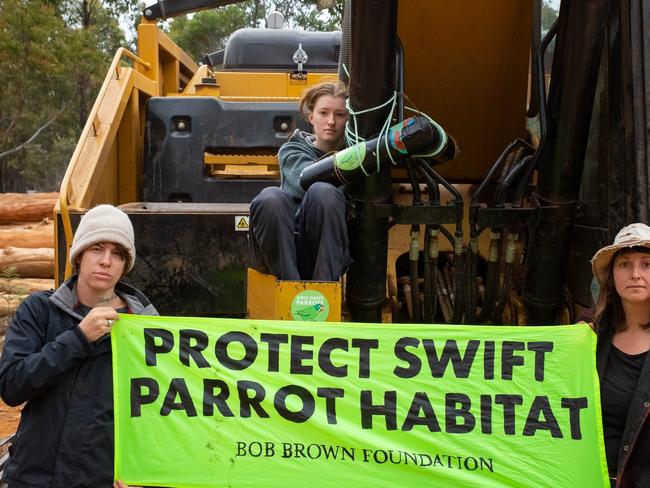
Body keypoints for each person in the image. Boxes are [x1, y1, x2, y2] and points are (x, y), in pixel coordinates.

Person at [0, 204, 158, 488]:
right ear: (79, 255)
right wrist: (78, 338)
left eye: (118, 254)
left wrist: (142, 471)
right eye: (97, 248)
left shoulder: (144, 327)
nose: (106, 261)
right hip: (34, 478)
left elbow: (158, 413)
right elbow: (12, 385)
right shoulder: (40, 310)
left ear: (125, 264)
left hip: (101, 480)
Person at [249, 81, 352, 281]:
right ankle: (290, 290)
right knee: (271, 197)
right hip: (279, 250)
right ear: (311, 116)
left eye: (340, 115)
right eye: (324, 113)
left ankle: (324, 293)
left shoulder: (358, 154)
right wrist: (351, 166)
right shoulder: (292, 151)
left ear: (348, 119)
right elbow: (304, 181)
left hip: (322, 251)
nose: (331, 121)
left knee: (325, 193)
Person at [591, 223, 650, 487]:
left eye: (647, 264)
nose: (635, 274)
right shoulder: (591, 335)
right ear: (612, 276)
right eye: (624, 264)